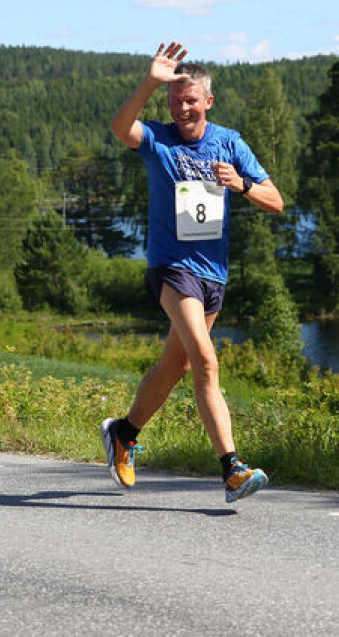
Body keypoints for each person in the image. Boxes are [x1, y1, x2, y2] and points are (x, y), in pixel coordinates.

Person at [102, 41, 284, 503]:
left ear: (208, 101)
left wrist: (241, 184)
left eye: (189, 100)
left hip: (213, 274)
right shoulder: (158, 140)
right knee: (205, 360)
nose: (181, 108)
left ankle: (124, 433)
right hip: (172, 268)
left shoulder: (229, 142)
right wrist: (150, 81)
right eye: (174, 100)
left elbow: (276, 200)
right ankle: (232, 469)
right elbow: (120, 127)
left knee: (177, 363)